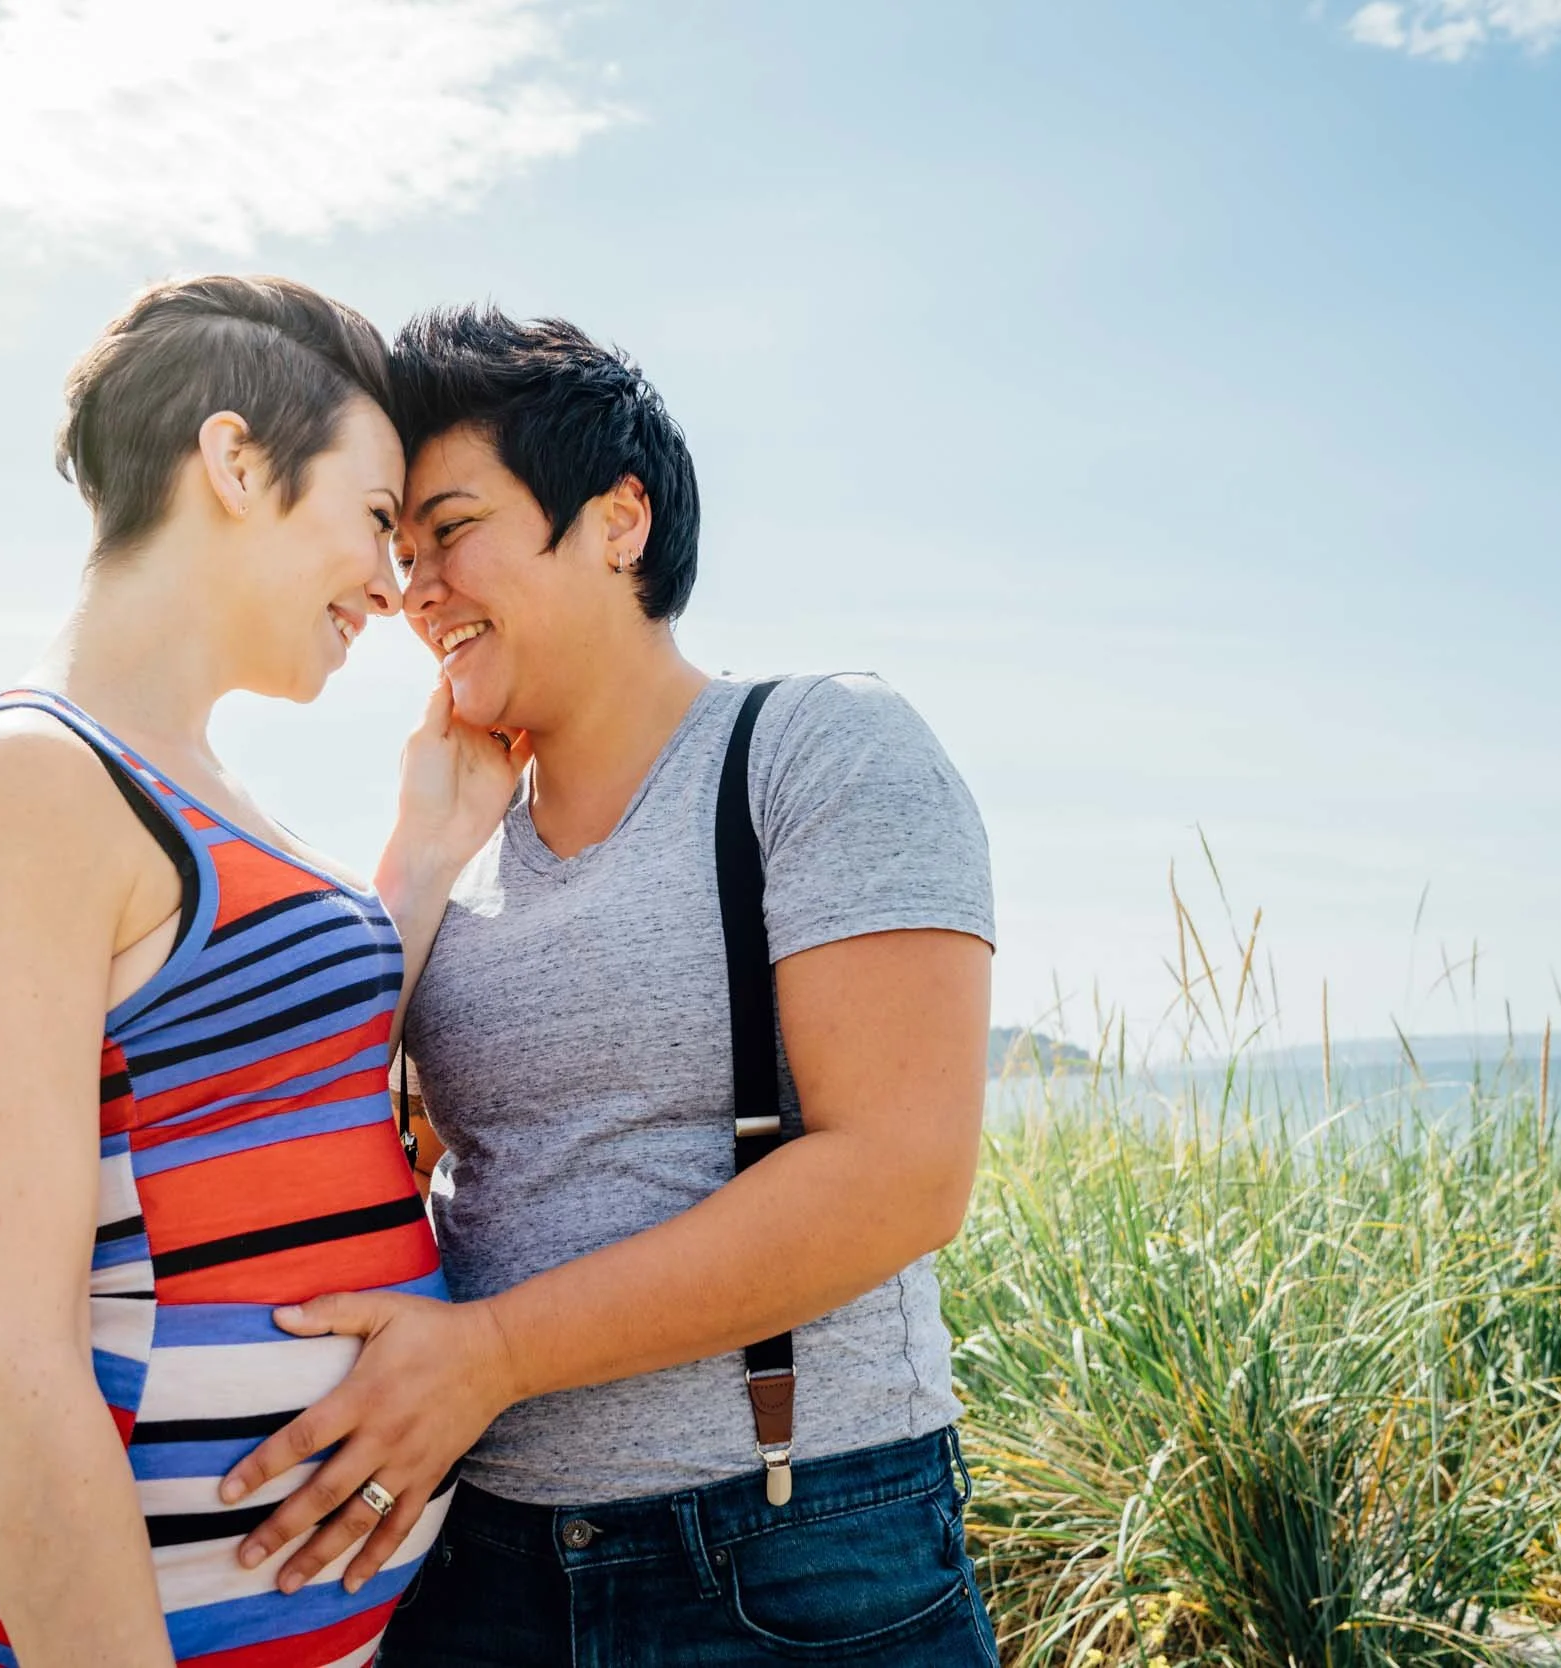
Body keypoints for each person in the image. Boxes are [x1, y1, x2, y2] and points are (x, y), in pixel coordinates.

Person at [216, 308, 1002, 1665]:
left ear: (618, 520)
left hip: (793, 1551)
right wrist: (419, 855)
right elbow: (322, 1131)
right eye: (400, 553)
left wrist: (495, 1354)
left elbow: (900, 1175)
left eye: (452, 530)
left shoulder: (817, 748)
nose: (416, 590)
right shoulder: (457, 843)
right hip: (478, 1558)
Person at [0, 275, 523, 1668]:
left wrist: (428, 855)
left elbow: (269, 1086)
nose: (393, 587)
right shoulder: (20, 780)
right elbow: (8, 1359)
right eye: (376, 517)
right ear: (236, 462)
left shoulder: (201, 793)